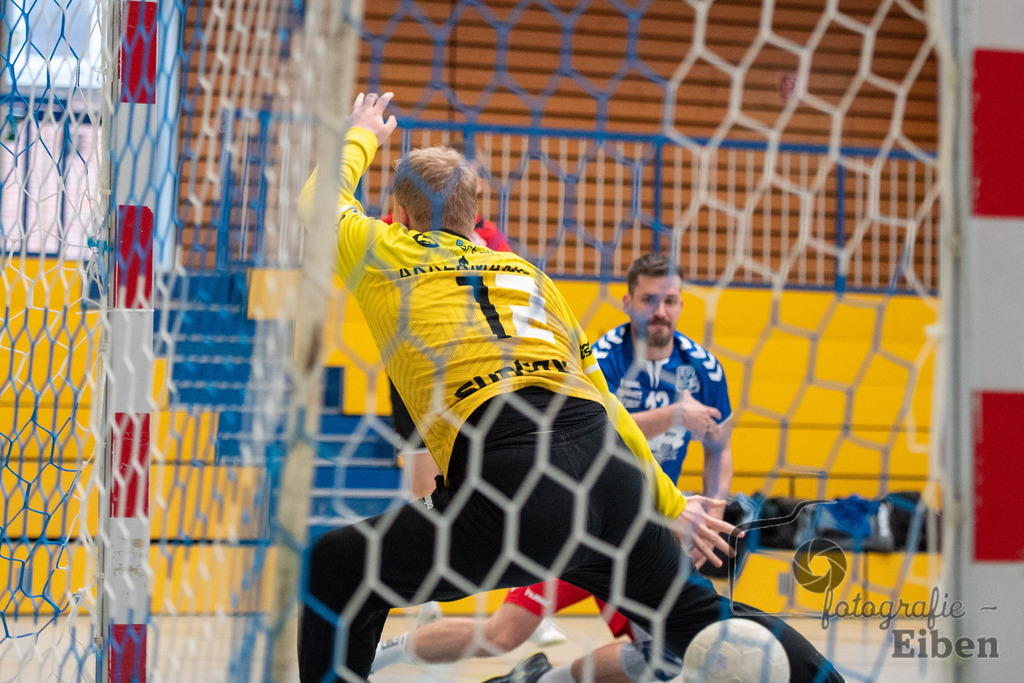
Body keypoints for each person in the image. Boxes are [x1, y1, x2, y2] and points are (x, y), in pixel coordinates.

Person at [297, 91, 842, 683]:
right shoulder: (529, 275)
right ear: (475, 221)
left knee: (337, 568)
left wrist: (362, 135)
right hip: (610, 479)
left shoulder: (382, 250)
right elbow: (605, 400)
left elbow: (316, 204)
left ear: (398, 216)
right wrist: (667, 500)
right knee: (698, 618)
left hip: (518, 483)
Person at [370, 253, 735, 681]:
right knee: (503, 634)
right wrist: (672, 416)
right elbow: (596, 431)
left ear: (682, 304)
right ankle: (379, 654)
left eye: (670, 300)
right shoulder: (601, 357)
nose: (660, 312)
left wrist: (713, 513)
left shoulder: (703, 368)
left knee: (665, 658)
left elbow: (719, 450)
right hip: (581, 516)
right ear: (627, 301)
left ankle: (538, 680)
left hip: (641, 533)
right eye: (649, 300)